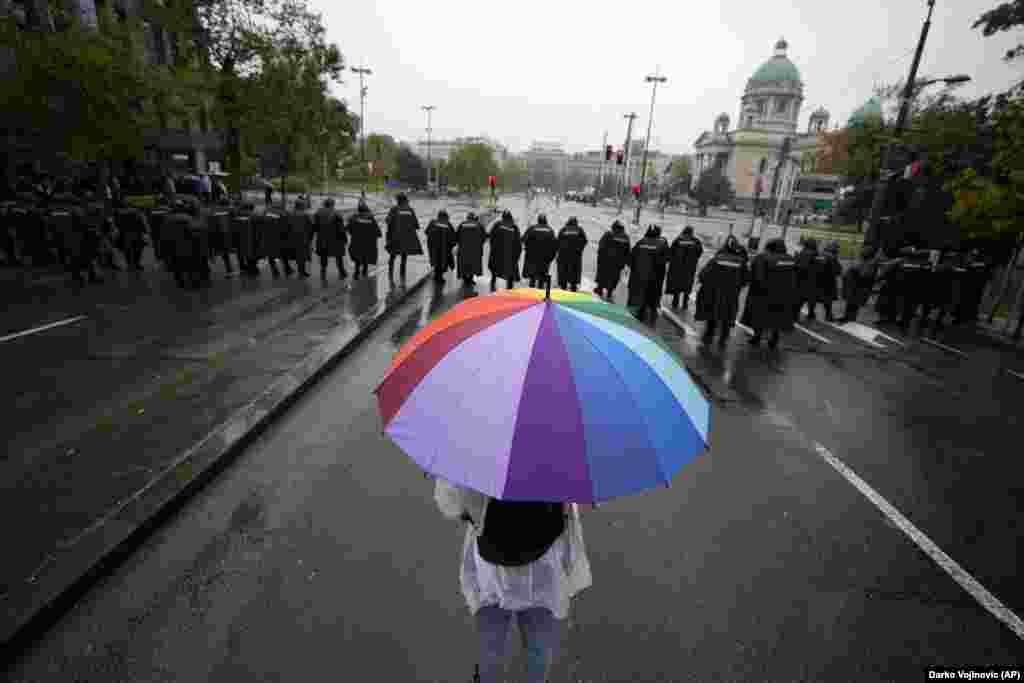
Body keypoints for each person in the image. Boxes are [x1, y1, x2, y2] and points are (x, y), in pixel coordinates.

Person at [434, 478, 591, 683]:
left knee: (492, 645)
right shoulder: (561, 449)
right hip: (544, 567)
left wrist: (470, 512)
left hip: (492, 569)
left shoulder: (481, 448)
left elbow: (451, 503)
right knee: (538, 645)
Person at [695, 234, 748, 347]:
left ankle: (710, 332)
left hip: (715, 291)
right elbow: (745, 279)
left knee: (713, 311)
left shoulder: (717, 259)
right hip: (732, 293)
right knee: (728, 313)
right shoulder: (741, 262)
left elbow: (704, 274)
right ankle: (724, 335)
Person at [743, 238, 797, 348]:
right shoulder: (790, 259)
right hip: (784, 294)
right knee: (778, 316)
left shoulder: (762, 257)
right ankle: (774, 338)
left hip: (764, 293)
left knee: (759, 316)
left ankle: (757, 337)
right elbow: (795, 277)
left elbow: (757, 276)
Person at [627, 225, 670, 322]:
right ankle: (652, 312)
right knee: (653, 296)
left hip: (639, 276)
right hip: (655, 277)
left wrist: (634, 269)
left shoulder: (641, 242)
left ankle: (639, 314)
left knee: (640, 296)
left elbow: (631, 258)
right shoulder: (662, 244)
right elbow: (667, 258)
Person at [385, 193, 424, 281]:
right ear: (405, 201)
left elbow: (388, 221)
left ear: (398, 201)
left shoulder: (394, 209)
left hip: (395, 237)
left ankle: (390, 275)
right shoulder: (410, 210)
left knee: (392, 256)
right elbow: (416, 225)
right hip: (406, 238)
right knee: (404, 256)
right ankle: (402, 275)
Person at [664, 226, 703, 310]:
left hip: (678, 267)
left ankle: (675, 301)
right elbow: (699, 252)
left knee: (677, 283)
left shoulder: (678, 240)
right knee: (687, 285)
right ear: (692, 232)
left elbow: (671, 253)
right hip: (690, 268)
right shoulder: (696, 241)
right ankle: (685, 303)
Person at [839, 245, 878, 323]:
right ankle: (847, 317)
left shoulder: (871, 263)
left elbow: (865, 274)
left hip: (861, 287)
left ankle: (851, 319)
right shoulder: (863, 260)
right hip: (855, 286)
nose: (862, 252)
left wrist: (855, 269)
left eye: (865, 251)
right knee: (850, 303)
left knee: (855, 304)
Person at [593, 220, 630, 301]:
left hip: (606, 260)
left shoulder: (608, 234)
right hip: (619, 263)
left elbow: (601, 246)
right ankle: (610, 291)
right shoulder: (626, 237)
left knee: (603, 274)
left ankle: (600, 289)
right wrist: (627, 263)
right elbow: (628, 251)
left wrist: (600, 257)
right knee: (614, 277)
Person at [897, 247, 932, 332]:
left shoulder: (925, 264)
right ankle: (904, 322)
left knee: (911, 307)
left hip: (918, 289)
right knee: (908, 307)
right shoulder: (913, 263)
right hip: (913, 288)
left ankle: (906, 322)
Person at [312, 198, 347, 281]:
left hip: (322, 239)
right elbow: (341, 229)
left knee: (323, 257)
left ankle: (323, 273)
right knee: (339, 256)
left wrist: (312, 237)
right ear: (332, 204)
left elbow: (314, 227)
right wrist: (345, 239)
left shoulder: (318, 213)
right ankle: (342, 272)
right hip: (335, 240)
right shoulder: (337, 214)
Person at [487, 210, 522, 291]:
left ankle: (493, 281)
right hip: (510, 254)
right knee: (510, 271)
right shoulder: (514, 227)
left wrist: (493, 248)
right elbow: (518, 242)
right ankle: (509, 287)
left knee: (495, 267)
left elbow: (492, 237)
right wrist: (517, 255)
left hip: (497, 252)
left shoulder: (497, 225)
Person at [521, 213, 558, 288]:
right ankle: (540, 291)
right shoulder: (550, 230)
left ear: (538, 220)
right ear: (545, 220)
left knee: (532, 277)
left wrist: (527, 248)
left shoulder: (532, 228)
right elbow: (555, 245)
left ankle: (532, 292)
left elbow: (523, 239)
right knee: (542, 277)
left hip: (532, 257)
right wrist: (551, 258)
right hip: (544, 259)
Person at [347, 199, 382, 280]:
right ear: (366, 210)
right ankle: (365, 271)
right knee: (365, 255)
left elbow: (348, 228)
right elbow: (377, 231)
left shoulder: (353, 218)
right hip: (367, 242)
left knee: (357, 256)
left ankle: (356, 272)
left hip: (356, 241)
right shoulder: (370, 218)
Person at [956, 249, 991, 325]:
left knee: (971, 302)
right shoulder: (971, 264)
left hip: (974, 288)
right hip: (967, 288)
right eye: (972, 255)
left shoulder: (979, 265)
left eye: (974, 256)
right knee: (964, 302)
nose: (973, 257)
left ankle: (966, 317)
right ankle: (961, 317)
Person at [456, 211, 487, 288]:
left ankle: (465, 279)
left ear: (467, 218)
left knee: (464, 264)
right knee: (473, 265)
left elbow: (456, 236)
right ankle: (470, 279)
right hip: (475, 250)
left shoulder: (462, 224)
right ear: (474, 218)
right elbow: (484, 237)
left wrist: (460, 244)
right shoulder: (479, 225)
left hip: (463, 249)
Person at [556, 217, 587, 292]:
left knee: (563, 270)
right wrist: (579, 249)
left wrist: (560, 250)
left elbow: (558, 241)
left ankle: (563, 286)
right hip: (576, 255)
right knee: (575, 270)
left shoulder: (563, 229)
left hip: (563, 254)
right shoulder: (580, 230)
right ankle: (573, 286)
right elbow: (584, 241)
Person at [425, 209, 457, 283]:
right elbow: (453, 236)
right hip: (444, 248)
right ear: (446, 217)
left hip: (433, 248)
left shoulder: (432, 222)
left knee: (435, 262)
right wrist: (452, 245)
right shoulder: (448, 224)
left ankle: (437, 276)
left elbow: (426, 232)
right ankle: (439, 277)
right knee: (443, 263)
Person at [816, 241, 843, 322]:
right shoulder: (831, 257)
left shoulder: (822, 255)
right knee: (828, 300)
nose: (838, 251)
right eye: (837, 249)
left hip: (821, 280)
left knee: (823, 299)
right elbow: (837, 270)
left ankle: (826, 315)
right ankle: (828, 316)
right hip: (828, 281)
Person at [794, 237, 820, 320]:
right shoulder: (815, 254)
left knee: (799, 298)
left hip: (801, 279)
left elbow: (796, 264)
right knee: (812, 299)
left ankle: (795, 315)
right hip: (812, 279)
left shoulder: (802, 253)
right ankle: (811, 313)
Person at [232, 202, 259, 276]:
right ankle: (252, 269)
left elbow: (233, 228)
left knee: (240, 253)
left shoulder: (237, 216)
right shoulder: (254, 216)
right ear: (250, 209)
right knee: (251, 254)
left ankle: (243, 267)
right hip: (250, 239)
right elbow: (257, 229)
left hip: (239, 239)